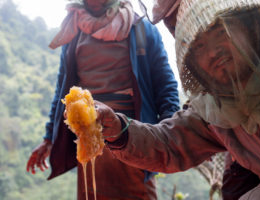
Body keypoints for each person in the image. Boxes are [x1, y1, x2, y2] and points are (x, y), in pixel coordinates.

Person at [94, 0, 260, 199]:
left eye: (221, 32)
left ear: (252, 27)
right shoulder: (215, 107)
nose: (213, 52)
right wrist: (118, 128)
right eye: (199, 47)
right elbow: (169, 143)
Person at [26, 0, 180, 199]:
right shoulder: (74, 31)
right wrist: (49, 138)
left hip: (135, 138)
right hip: (89, 141)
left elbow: (165, 84)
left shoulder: (140, 27)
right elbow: (62, 91)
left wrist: (171, 133)